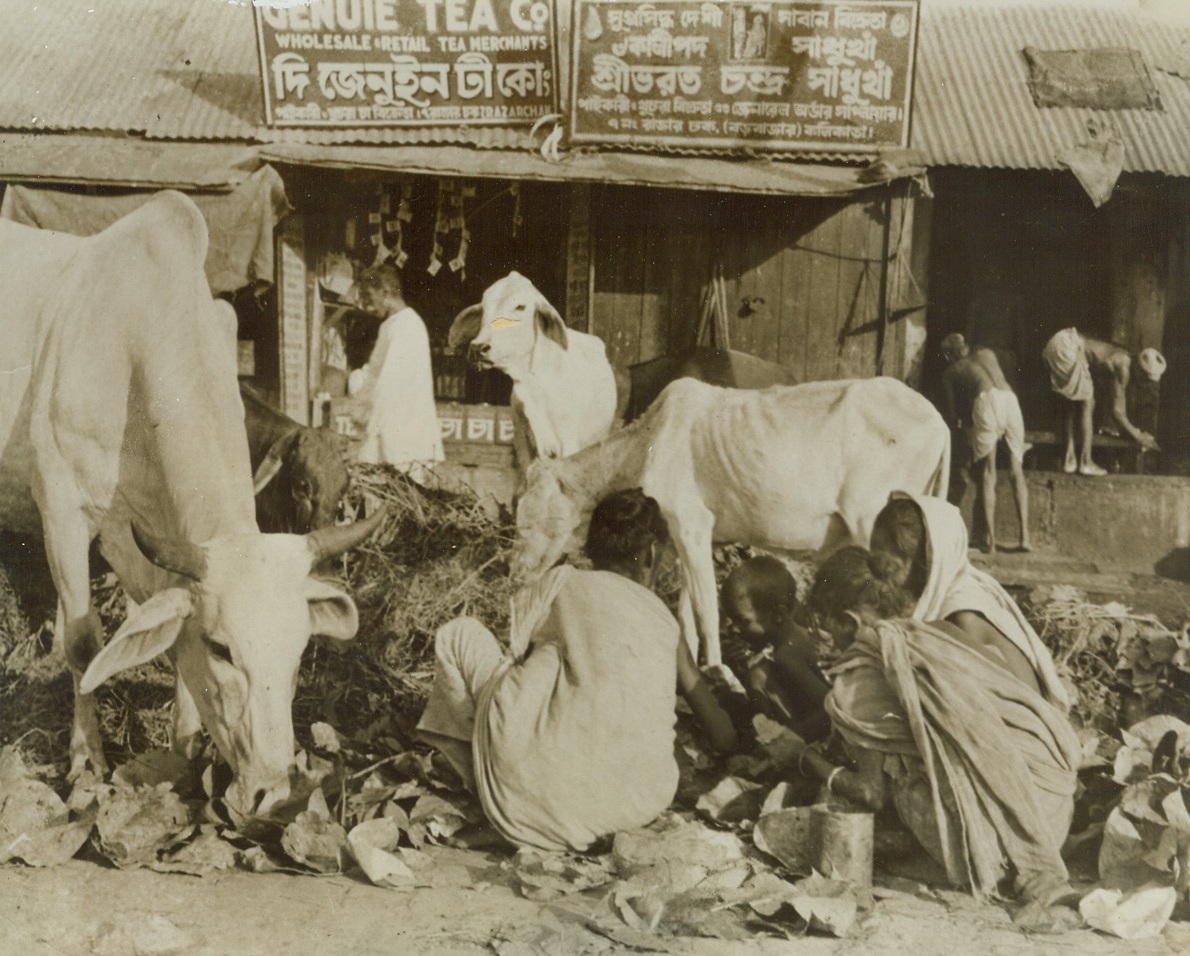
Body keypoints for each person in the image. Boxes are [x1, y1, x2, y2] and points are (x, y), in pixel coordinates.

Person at [415, 489, 737, 852]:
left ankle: (495, 802)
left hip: (540, 784)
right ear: (651, 554)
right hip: (639, 801)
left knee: (462, 636)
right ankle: (566, 820)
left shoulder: (561, 585)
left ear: (590, 549)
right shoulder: (666, 622)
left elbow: (517, 652)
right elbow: (720, 732)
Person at [789, 546, 1081, 906]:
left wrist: (804, 758)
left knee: (892, 773)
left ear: (850, 621)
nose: (826, 640)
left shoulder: (863, 671)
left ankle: (965, 858)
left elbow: (870, 793)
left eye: (827, 628)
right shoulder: (941, 630)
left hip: (1001, 845)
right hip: (1054, 814)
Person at [869, 491, 1069, 710]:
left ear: (928, 563)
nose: (884, 582)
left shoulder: (963, 618)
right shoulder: (962, 588)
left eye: (890, 568)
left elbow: (986, 715)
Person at [350, 263, 444, 483]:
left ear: (385, 291)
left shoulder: (408, 326)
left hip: (405, 429)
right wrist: (360, 404)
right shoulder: (389, 326)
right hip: (389, 424)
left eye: (369, 296)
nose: (367, 304)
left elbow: (389, 384)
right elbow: (374, 374)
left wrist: (372, 422)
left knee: (403, 492)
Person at [721, 556, 831, 742]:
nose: (735, 630)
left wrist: (791, 738)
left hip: (828, 734)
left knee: (758, 675)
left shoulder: (787, 655)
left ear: (778, 616)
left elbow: (832, 708)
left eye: (742, 621)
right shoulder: (803, 635)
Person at [939, 332, 1031, 553]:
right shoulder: (987, 353)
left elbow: (952, 416)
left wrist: (965, 430)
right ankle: (1025, 538)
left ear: (949, 355)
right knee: (1016, 470)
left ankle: (989, 539)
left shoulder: (951, 371)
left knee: (988, 472)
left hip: (986, 400)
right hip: (1010, 399)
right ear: (966, 347)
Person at [1041, 328, 1165, 476]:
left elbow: (1116, 408)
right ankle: (1086, 462)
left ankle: (1070, 459)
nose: (1143, 385)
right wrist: (1139, 436)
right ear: (1140, 371)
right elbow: (1118, 412)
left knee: (1073, 402)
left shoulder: (1122, 358)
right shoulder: (1123, 368)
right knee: (1089, 402)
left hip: (1057, 343)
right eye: (1146, 381)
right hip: (1068, 346)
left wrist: (1133, 432)